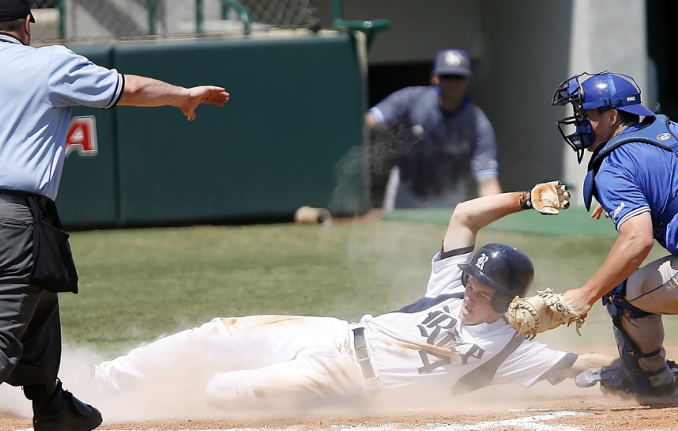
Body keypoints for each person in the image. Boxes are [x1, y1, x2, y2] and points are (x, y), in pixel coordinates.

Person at [0, 0, 229, 431]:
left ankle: (53, 406)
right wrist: (182, 95)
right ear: (28, 24)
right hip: (7, 225)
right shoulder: (49, 63)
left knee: (40, 291)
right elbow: (132, 88)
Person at [90, 183, 614, 413]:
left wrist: (644, 361)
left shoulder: (513, 349)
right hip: (335, 334)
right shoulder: (450, 289)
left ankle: (154, 404)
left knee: (223, 393)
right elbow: (463, 215)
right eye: (470, 283)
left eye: (482, 292)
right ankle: (102, 384)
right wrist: (526, 198)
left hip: (346, 379)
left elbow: (582, 361)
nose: (469, 295)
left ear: (507, 300)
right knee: (215, 334)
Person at [551, 71, 678, 403]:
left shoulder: (614, 165)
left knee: (619, 292)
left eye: (586, 115)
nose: (579, 123)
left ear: (612, 116)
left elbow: (638, 240)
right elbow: (661, 179)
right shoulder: (670, 130)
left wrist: (587, 294)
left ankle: (655, 382)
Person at [365, 48, 502, 210]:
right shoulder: (410, 99)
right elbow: (369, 121)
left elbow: (487, 181)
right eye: (446, 76)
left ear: (468, 80)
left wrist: (498, 218)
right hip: (405, 192)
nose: (452, 82)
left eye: (459, 77)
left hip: (449, 198)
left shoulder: (478, 124)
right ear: (435, 78)